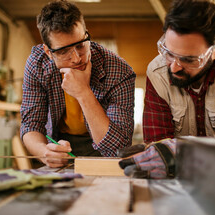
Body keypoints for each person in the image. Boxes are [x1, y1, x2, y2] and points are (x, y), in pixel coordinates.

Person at [118, 0, 215, 179]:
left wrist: (183, 151)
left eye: (188, 59)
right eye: (169, 53)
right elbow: (160, 147)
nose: (173, 68)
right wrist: (163, 153)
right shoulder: (157, 72)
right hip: (180, 176)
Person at [20, 0, 136, 168]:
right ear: (48, 52)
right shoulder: (37, 64)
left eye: (80, 45)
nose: (76, 58)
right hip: (58, 143)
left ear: (87, 35)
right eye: (63, 52)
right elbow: (30, 124)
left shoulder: (119, 71)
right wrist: (44, 153)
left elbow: (117, 149)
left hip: (102, 149)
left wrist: (83, 93)